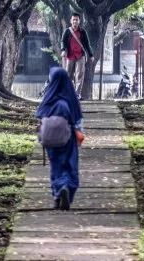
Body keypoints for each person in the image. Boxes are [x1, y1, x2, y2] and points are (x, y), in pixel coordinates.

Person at [36, 67, 83, 210]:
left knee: (55, 165)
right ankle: (67, 186)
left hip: (50, 140)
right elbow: (77, 120)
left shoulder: (48, 98)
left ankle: (58, 192)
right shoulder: (70, 99)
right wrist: (79, 133)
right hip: (67, 139)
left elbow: (39, 116)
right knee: (70, 165)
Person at [59, 13, 94, 98]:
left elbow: (87, 44)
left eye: (77, 20)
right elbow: (62, 41)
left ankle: (77, 94)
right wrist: (63, 50)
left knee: (79, 75)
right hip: (69, 56)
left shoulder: (83, 32)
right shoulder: (67, 31)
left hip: (80, 56)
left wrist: (91, 55)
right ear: (71, 21)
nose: (75, 21)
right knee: (68, 75)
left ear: (79, 21)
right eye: (73, 19)